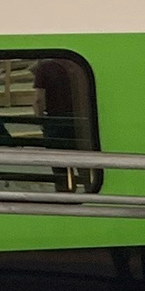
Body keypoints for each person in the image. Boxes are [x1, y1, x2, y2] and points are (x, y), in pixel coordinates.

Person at [32, 57, 84, 192]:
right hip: (79, 120)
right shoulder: (76, 64)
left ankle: (66, 195)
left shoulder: (44, 68)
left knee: (60, 167)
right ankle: (89, 191)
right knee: (83, 163)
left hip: (55, 121)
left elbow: (38, 99)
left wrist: (41, 120)